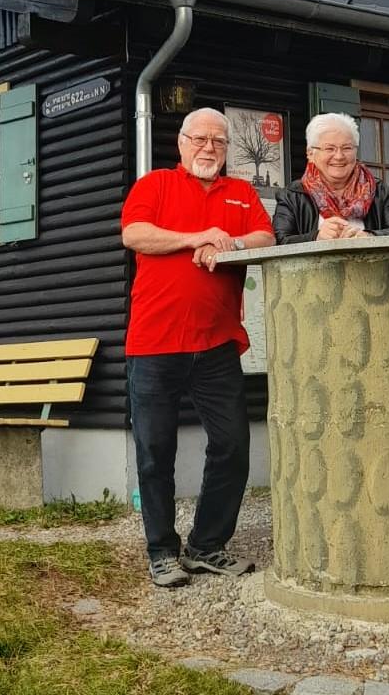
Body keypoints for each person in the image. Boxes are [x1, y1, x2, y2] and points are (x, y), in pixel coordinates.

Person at [121, 107, 275, 588]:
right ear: (182, 143)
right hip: (154, 343)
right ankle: (162, 551)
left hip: (217, 343)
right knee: (155, 450)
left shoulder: (241, 193)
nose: (209, 148)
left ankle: (207, 545)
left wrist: (227, 244)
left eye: (219, 142)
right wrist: (196, 239)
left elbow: (265, 236)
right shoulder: (155, 185)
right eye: (200, 139)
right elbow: (134, 234)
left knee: (232, 444)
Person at [272, 112, 389, 243]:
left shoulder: (380, 191)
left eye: (347, 148)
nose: (339, 156)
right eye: (329, 149)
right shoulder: (292, 196)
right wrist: (316, 237)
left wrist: (369, 237)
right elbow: (280, 240)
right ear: (310, 154)